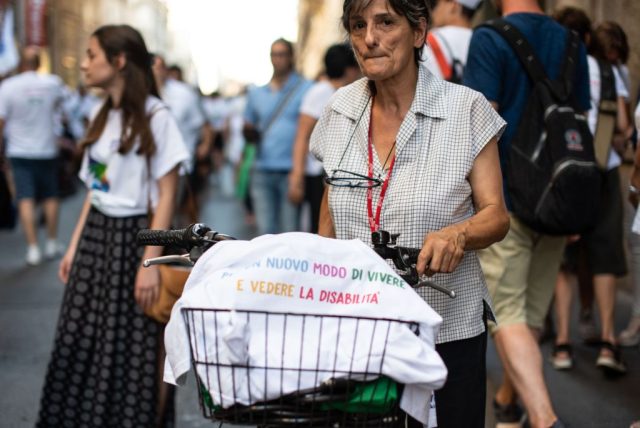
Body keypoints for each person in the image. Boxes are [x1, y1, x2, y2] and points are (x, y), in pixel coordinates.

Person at [310, 0, 509, 426]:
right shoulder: (338, 110)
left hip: (444, 330)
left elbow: (496, 214)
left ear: (418, 33)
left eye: (385, 23)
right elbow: (330, 209)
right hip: (358, 328)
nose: (369, 38)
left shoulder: (466, 109)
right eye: (358, 26)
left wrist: (457, 234)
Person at [36, 24, 189, 427]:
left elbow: (167, 195)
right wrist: (74, 246)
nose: (84, 64)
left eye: (91, 55)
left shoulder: (157, 117)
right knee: (80, 340)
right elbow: (96, 189)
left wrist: (149, 262)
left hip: (136, 238)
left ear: (119, 61)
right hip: (97, 238)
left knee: (133, 346)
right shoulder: (101, 114)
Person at [464, 0, 591, 426]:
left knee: (508, 312)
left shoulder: (490, 38)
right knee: (531, 314)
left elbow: (480, 122)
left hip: (508, 196)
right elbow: (582, 122)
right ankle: (508, 401)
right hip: (561, 193)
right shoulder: (572, 41)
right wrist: (578, 198)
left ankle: (543, 417)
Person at [551, 9, 630, 374]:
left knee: (565, 262)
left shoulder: (555, 68)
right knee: (605, 257)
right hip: (604, 170)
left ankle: (562, 343)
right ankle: (609, 342)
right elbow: (623, 125)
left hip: (566, 172)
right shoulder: (607, 70)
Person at [0, 46, 66, 265]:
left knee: (25, 198)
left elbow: (1, 121)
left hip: (19, 151)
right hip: (46, 149)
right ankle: (52, 242)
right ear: (39, 63)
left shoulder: (8, 86)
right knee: (50, 196)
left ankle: (33, 249)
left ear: (21, 64)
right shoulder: (53, 83)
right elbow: (61, 109)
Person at [243, 38, 312, 235]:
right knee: (265, 232)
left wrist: (298, 175)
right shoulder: (256, 93)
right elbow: (247, 126)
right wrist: (249, 132)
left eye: (282, 54)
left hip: (291, 171)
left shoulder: (305, 88)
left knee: (290, 233)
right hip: (261, 169)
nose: (278, 59)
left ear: (291, 57)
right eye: (274, 54)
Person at [288, 43, 360, 232]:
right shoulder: (320, 92)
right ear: (349, 69)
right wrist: (297, 176)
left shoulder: (348, 93)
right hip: (316, 175)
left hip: (336, 175)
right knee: (318, 229)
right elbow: (302, 135)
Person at [153, 55, 211, 223]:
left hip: (178, 167)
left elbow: (204, 124)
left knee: (170, 218)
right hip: (149, 170)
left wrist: (204, 147)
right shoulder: (140, 96)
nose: (156, 71)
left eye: (159, 67)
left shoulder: (184, 94)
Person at [421, 0, 483, 82]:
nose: (433, 12)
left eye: (435, 4)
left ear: (454, 6)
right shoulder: (484, 42)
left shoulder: (427, 42)